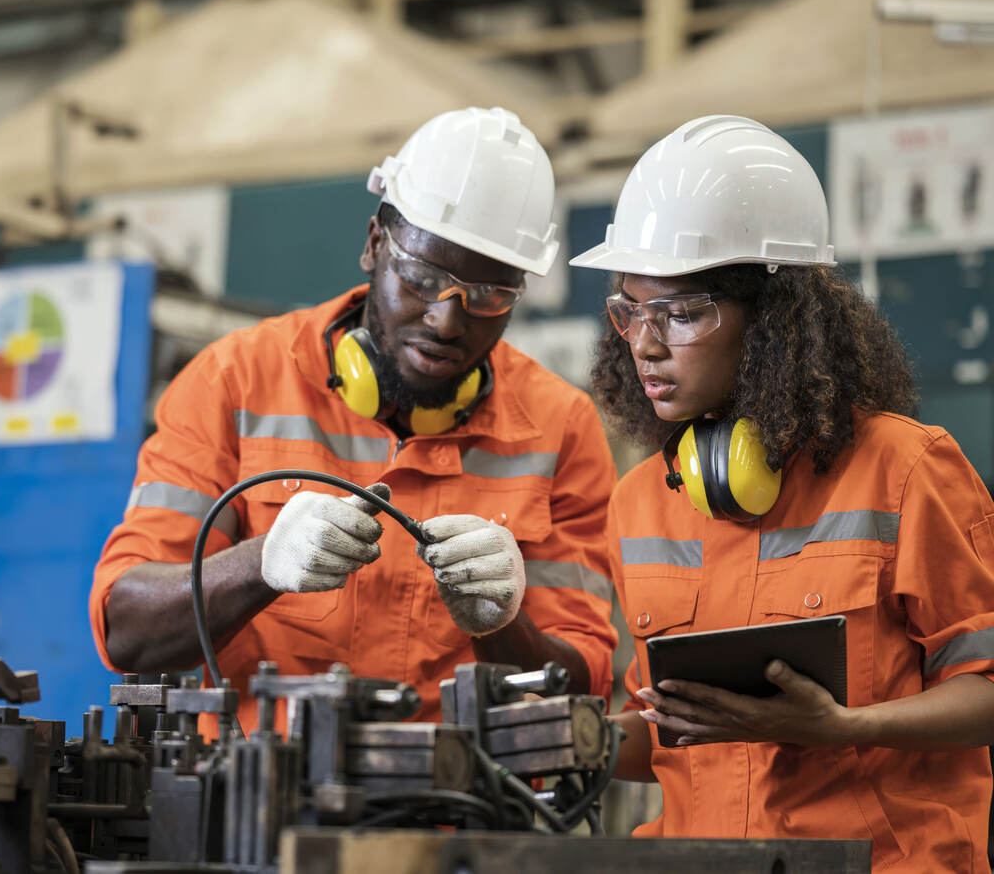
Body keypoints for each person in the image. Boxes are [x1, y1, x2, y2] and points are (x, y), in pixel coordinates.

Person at [90, 106, 619, 734]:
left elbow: (581, 685)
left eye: (488, 296)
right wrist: (260, 563)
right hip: (255, 806)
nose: (447, 321)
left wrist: (504, 623)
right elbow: (127, 630)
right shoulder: (234, 382)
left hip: (460, 812)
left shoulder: (559, 428)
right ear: (374, 246)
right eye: (422, 278)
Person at [575, 114, 994, 872]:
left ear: (773, 321)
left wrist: (843, 729)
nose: (644, 341)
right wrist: (568, 738)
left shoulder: (905, 469)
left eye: (682, 312)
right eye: (630, 308)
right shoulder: (643, 499)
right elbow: (671, 733)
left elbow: (986, 694)